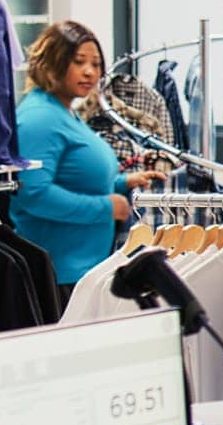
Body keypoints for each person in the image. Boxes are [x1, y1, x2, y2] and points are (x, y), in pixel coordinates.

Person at [10, 21, 162, 306]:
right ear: (52, 61)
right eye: (78, 62)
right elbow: (34, 194)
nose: (90, 72)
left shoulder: (63, 111)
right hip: (59, 274)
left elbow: (71, 177)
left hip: (79, 270)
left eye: (95, 63)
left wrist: (122, 183)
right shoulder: (39, 118)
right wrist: (107, 207)